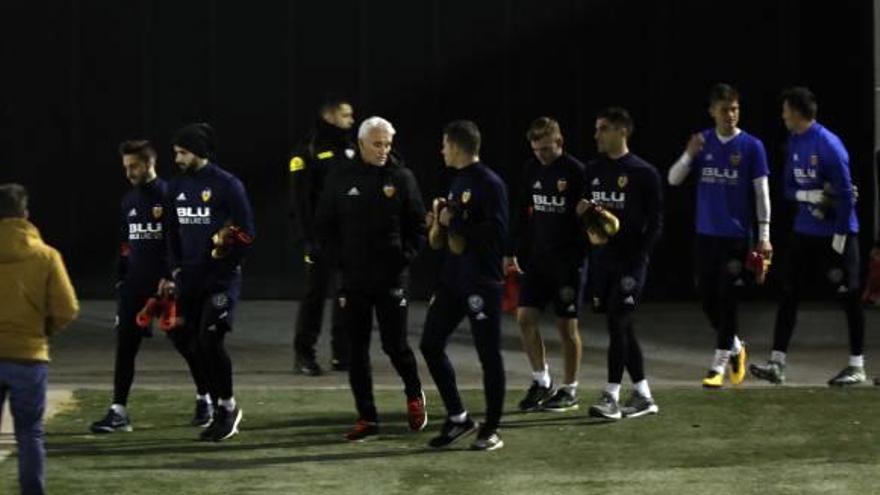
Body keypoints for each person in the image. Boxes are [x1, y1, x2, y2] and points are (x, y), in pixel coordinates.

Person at [315, 116, 428, 441]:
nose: (383, 150)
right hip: (354, 281)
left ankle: (414, 392)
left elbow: (418, 225)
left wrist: (404, 257)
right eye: (377, 144)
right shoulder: (340, 177)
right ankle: (367, 418)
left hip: (392, 278)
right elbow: (324, 225)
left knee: (395, 346)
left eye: (387, 144)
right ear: (361, 144)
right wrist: (339, 263)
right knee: (356, 350)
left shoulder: (402, 178)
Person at [90, 140, 211, 433]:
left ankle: (205, 399)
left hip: (168, 286)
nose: (129, 172)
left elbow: (181, 240)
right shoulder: (129, 200)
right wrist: (121, 280)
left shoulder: (170, 195)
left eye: (134, 166)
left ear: (149, 164)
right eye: (126, 167)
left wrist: (174, 277)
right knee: (126, 346)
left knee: (185, 343)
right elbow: (125, 244)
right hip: (134, 286)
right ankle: (118, 412)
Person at [750, 87, 866, 386]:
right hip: (804, 232)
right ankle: (777, 362)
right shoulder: (794, 141)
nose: (783, 116)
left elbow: (845, 193)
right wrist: (809, 194)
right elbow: (787, 188)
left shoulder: (829, 145)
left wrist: (840, 235)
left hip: (835, 235)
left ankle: (857, 365)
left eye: (786, 110)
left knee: (849, 298)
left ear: (797, 112)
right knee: (788, 293)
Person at [667, 84, 772, 388]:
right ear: (712, 111)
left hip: (736, 237)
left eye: (735, 109)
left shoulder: (752, 146)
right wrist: (688, 155)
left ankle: (718, 365)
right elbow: (673, 179)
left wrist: (764, 235)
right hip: (705, 235)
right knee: (707, 299)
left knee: (728, 299)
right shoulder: (703, 142)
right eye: (725, 109)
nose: (731, 115)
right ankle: (737, 347)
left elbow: (761, 192)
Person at [159, 123, 255, 441]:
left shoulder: (228, 185)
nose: (178, 158)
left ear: (199, 152)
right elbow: (171, 233)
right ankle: (215, 404)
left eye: (183, 152)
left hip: (220, 280)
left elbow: (246, 232)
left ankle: (227, 408)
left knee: (210, 341)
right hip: (188, 280)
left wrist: (226, 249)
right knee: (191, 344)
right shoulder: (176, 187)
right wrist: (173, 270)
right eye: (176, 152)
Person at [420, 120, 508, 451]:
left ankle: (493, 428)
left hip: (482, 281)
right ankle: (459, 417)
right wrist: (440, 224)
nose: (441, 150)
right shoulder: (458, 181)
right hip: (453, 279)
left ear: (456, 146)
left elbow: (498, 235)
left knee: (488, 355)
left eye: (444, 144)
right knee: (430, 343)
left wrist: (455, 222)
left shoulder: (490, 183)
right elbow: (458, 228)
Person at [580, 107, 663, 420]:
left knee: (618, 323)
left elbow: (656, 223)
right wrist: (586, 216)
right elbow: (592, 220)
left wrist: (639, 253)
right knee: (621, 326)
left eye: (602, 129)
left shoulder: (644, 173)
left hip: (631, 263)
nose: (596, 135)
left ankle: (611, 395)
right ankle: (643, 394)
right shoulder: (593, 170)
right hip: (603, 262)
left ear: (621, 132)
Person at [0, 183, 79, 495]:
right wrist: (44, 330)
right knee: (30, 435)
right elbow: (67, 308)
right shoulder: (46, 256)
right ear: (25, 214)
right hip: (29, 356)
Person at [506, 117, 587, 412]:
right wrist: (511, 250)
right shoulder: (531, 169)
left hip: (567, 262)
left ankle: (571, 389)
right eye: (536, 149)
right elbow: (521, 211)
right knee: (524, 317)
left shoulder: (577, 172)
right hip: (538, 260)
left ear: (559, 142)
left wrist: (580, 254)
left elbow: (589, 219)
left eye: (545, 148)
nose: (541, 154)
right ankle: (542, 381)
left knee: (567, 326)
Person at [289, 96, 356, 375]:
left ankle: (342, 354)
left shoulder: (353, 150)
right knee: (314, 297)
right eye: (345, 115)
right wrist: (308, 240)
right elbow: (300, 201)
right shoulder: (308, 151)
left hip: (349, 240)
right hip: (320, 240)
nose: (351, 121)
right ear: (329, 117)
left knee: (347, 296)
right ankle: (304, 355)